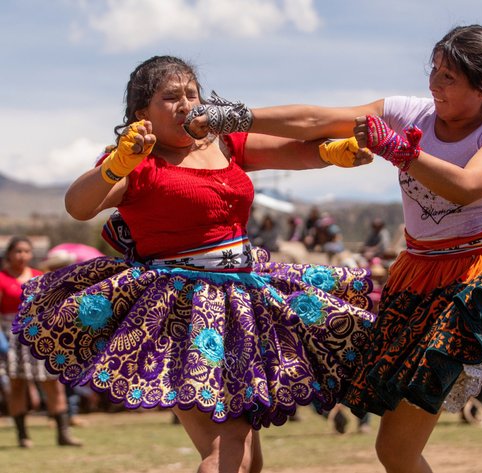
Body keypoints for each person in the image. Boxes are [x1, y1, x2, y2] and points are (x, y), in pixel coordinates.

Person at [184, 24, 482, 473]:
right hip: (425, 281)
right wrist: (238, 118)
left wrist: (400, 149)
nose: (434, 85)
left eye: (449, 78)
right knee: (395, 451)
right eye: (434, 71)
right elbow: (318, 120)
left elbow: (467, 187)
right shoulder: (412, 112)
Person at [11, 55, 376, 473]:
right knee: (228, 457)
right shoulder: (138, 159)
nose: (186, 104)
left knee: (249, 461)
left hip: (245, 304)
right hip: (181, 313)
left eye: (192, 94)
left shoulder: (224, 142)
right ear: (141, 113)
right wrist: (117, 164)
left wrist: (335, 152)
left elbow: (297, 152)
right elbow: (78, 206)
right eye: (171, 97)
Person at [0, 236, 82, 448]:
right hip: (11, 336)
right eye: (18, 251)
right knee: (17, 385)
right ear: (9, 254)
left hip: (39, 335)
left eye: (26, 251)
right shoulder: (1, 279)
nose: (22, 256)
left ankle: (63, 434)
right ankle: (22, 436)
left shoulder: (38, 277)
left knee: (53, 383)